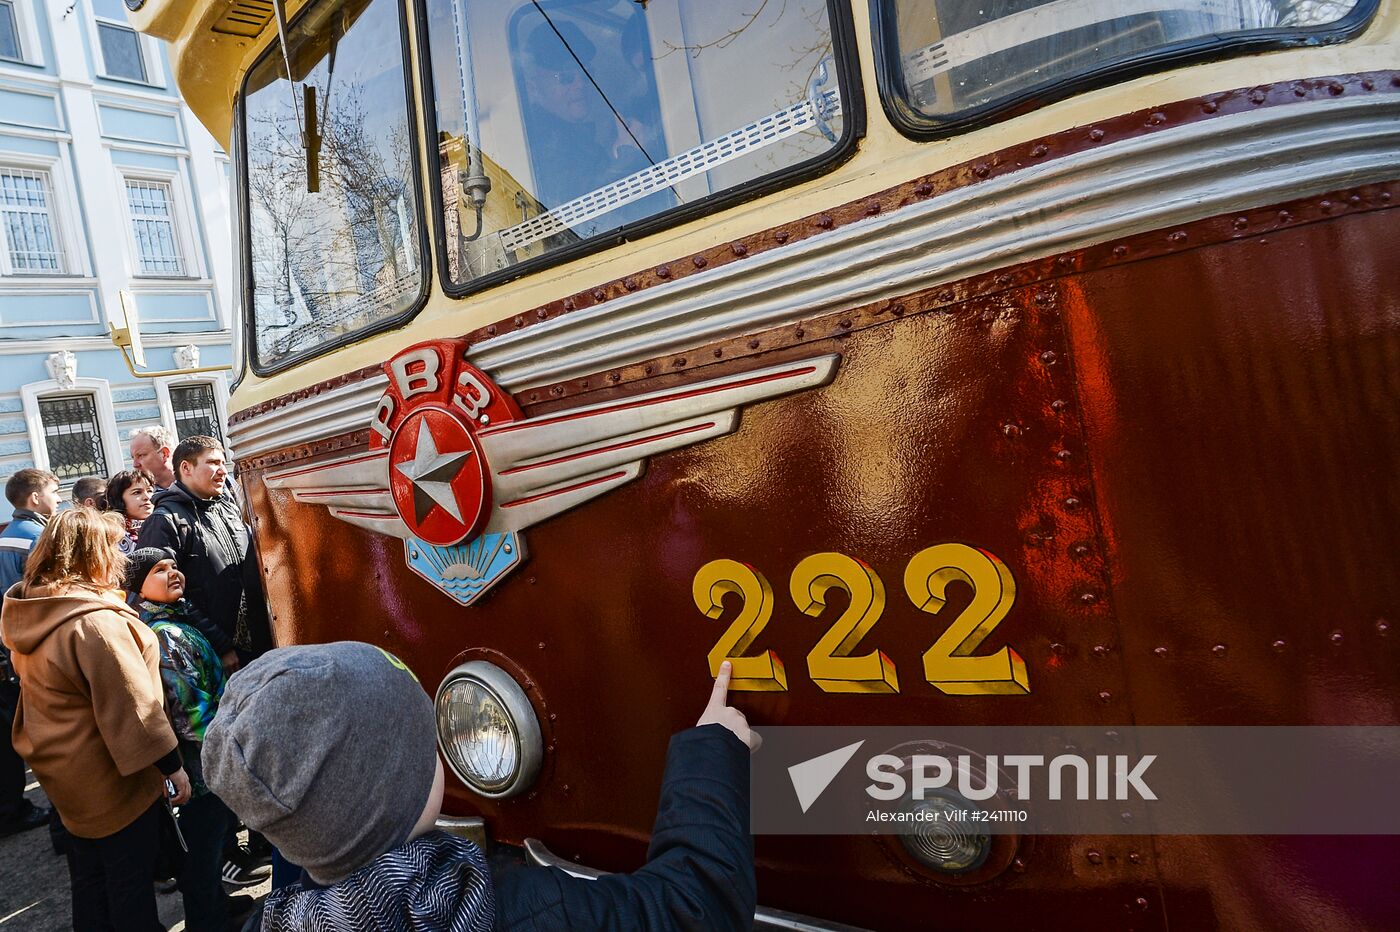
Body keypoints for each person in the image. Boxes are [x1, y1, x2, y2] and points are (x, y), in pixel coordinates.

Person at [205, 643, 757, 932]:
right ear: (393, 795)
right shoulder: (522, 913)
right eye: (420, 743)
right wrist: (713, 752)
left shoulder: (271, 922)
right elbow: (695, 908)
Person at [2, 508, 192, 931]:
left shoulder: (38, 606)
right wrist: (172, 767)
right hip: (112, 780)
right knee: (129, 889)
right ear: (90, 555)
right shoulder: (92, 622)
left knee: (90, 882)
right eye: (113, 546)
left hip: (70, 776)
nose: (122, 555)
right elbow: (133, 707)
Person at [125, 547, 249, 931]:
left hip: (207, 757)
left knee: (208, 848)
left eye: (174, 566)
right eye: (159, 570)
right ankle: (208, 922)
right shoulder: (166, 635)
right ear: (140, 587)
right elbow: (191, 715)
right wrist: (232, 740)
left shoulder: (177, 617)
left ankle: (216, 905)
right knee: (202, 849)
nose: (173, 573)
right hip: (199, 766)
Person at [137, 436, 271, 661]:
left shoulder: (228, 509)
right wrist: (220, 646)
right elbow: (165, 596)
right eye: (212, 463)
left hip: (259, 646)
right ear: (186, 468)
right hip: (214, 656)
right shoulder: (164, 521)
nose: (222, 471)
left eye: (222, 463)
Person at [0, 468, 61, 840]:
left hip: (15, 649)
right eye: (54, 491)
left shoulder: (7, 535)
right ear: (35, 497)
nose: (58, 498)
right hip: (38, 649)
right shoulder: (38, 538)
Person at [105, 469, 157, 555]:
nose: (147, 497)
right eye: (137, 492)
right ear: (119, 499)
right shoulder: (110, 534)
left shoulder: (164, 524)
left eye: (149, 491)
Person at [130, 425, 178, 491]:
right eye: (133, 458)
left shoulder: (193, 485)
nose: (135, 465)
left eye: (141, 455)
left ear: (164, 454)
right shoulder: (141, 498)